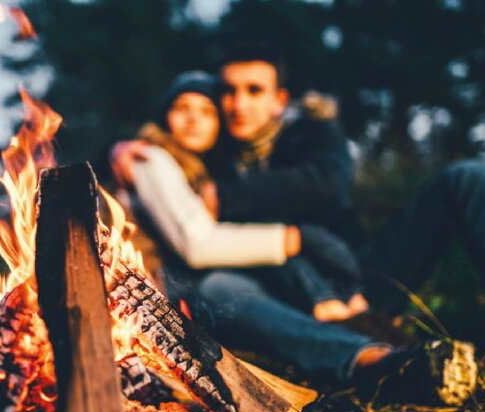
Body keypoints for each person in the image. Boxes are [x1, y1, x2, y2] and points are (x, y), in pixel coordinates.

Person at [110, 45, 485, 402]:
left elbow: (329, 184)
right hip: (281, 296)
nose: (238, 104)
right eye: (228, 91)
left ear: (279, 100)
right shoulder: (211, 151)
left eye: (254, 90)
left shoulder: (309, 133)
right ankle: (370, 359)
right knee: (216, 287)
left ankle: (363, 321)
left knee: (466, 177)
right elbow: (168, 178)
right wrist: (119, 149)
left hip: (356, 275)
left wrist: (227, 197)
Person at [127, 70, 369, 323]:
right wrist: (292, 239)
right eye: (181, 107)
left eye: (207, 112)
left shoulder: (214, 171)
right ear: (165, 115)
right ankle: (331, 306)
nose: (193, 119)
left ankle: (340, 303)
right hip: (155, 289)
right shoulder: (149, 157)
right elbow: (197, 245)